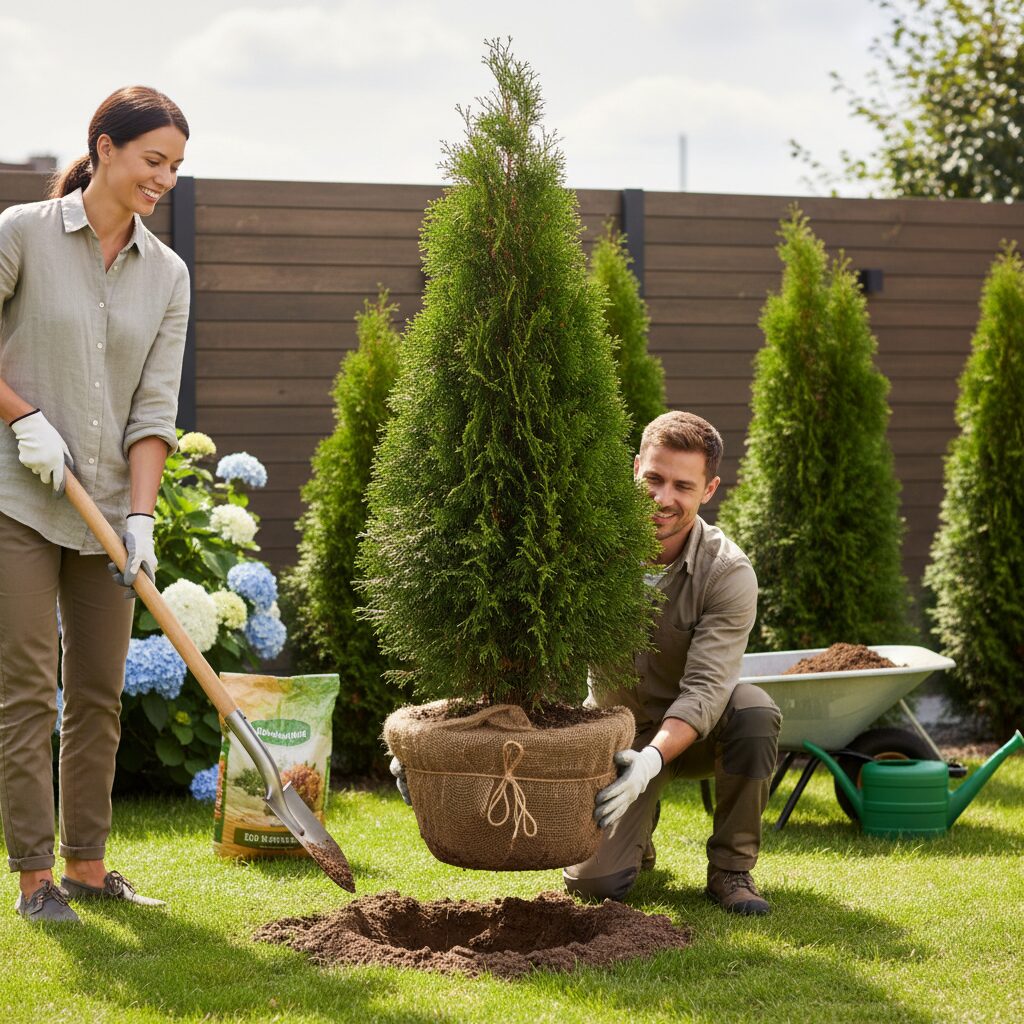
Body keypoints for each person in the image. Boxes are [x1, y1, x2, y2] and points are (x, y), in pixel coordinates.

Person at [0, 86, 190, 923]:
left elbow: (154, 410)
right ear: (105, 148)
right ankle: (34, 878)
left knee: (100, 694)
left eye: (178, 167)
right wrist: (24, 418)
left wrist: (141, 517)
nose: (166, 179)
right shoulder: (22, 235)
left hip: (108, 509)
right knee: (31, 687)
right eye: (154, 160)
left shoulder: (170, 275)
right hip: (18, 494)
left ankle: (86, 866)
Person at [563, 411, 781, 915]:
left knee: (753, 711)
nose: (664, 498)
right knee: (594, 886)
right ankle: (638, 841)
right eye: (654, 479)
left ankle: (731, 870)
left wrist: (652, 762)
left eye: (683, 485)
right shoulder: (588, 551)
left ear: (709, 490)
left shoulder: (728, 573)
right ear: (636, 468)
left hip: (701, 733)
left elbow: (706, 691)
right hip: (617, 734)